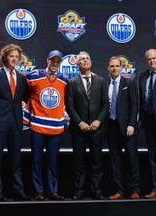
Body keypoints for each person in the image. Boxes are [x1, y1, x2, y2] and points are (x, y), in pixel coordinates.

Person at [0, 43, 31, 201]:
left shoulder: (22, 77)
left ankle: (18, 191)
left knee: (16, 159)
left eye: (17, 57)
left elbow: (27, 98)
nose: (14, 59)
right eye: (11, 56)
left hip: (16, 123)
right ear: (5, 57)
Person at [23, 50, 68, 201]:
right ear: (47, 60)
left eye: (58, 61)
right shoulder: (35, 75)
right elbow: (24, 91)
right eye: (53, 60)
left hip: (55, 127)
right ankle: (39, 191)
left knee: (53, 162)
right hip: (37, 125)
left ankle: (52, 191)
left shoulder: (64, 79)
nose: (55, 63)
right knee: (36, 160)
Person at [65, 51, 109, 200]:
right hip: (79, 129)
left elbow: (105, 104)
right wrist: (80, 122)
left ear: (91, 62)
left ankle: (96, 191)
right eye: (82, 59)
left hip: (97, 128)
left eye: (87, 58)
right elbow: (69, 106)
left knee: (97, 161)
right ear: (77, 65)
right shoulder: (72, 82)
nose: (85, 61)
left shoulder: (101, 81)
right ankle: (79, 191)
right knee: (79, 162)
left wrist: (98, 121)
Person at [105, 56, 140, 200]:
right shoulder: (104, 84)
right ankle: (120, 190)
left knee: (132, 160)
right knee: (115, 161)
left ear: (121, 68)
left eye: (117, 66)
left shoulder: (129, 83)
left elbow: (134, 105)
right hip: (111, 127)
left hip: (127, 128)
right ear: (108, 68)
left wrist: (132, 124)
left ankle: (135, 190)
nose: (114, 68)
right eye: (111, 66)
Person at [137, 48, 156, 199]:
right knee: (153, 158)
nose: (152, 61)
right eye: (149, 59)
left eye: (154, 58)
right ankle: (155, 189)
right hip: (149, 123)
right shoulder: (142, 77)